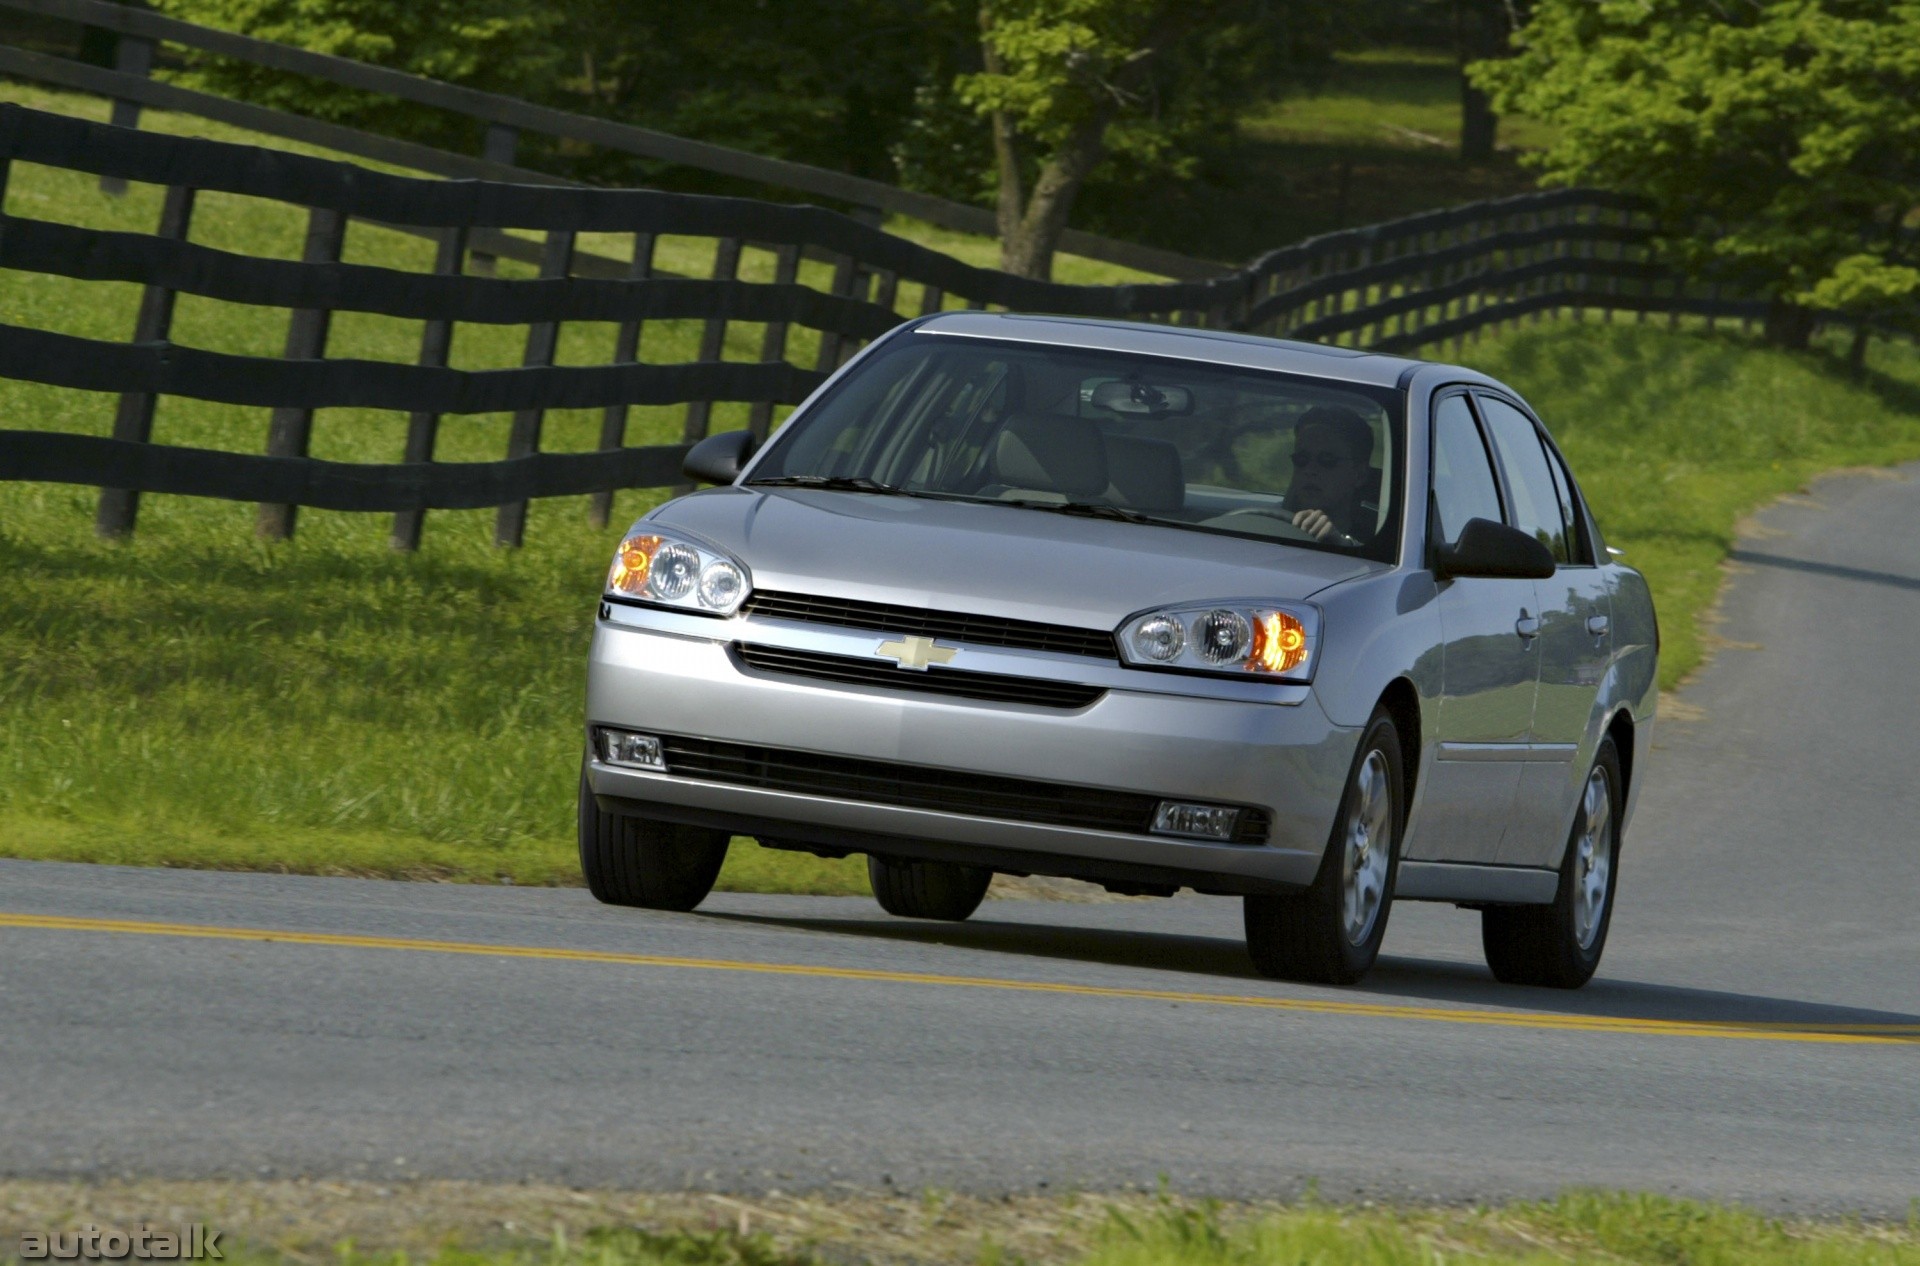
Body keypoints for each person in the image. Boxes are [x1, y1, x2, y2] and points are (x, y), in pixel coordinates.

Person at [1286, 405, 1375, 547]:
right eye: (1301, 459)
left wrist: (1342, 543)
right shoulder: (1262, 526)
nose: (1310, 470)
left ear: (1359, 475)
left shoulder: (1378, 548)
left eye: (1327, 460)